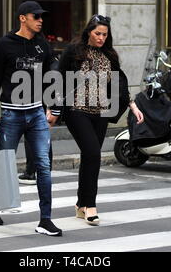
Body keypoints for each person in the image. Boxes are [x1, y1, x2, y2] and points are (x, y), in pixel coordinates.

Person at [47, 14, 144, 226]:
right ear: (89, 32)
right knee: (93, 153)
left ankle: (81, 204)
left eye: (104, 34)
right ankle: (90, 206)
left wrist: (133, 105)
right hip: (76, 109)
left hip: (101, 112)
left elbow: (120, 83)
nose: (101, 38)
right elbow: (58, 78)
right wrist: (53, 108)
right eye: (97, 33)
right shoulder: (74, 51)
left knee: (90, 157)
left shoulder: (110, 55)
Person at [0, 1, 62, 237]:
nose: (40, 20)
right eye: (35, 16)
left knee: (44, 167)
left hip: (36, 114)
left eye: (41, 16)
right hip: (11, 114)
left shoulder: (41, 44)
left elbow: (52, 77)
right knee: (5, 165)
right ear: (22, 18)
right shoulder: (4, 45)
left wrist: (54, 107)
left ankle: (45, 220)